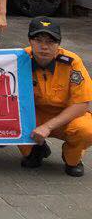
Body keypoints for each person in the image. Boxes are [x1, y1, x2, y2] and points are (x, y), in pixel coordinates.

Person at [20, 17, 92, 177]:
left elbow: (82, 105)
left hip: (66, 117)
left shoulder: (72, 62)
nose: (44, 46)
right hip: (34, 115)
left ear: (59, 44)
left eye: (51, 42)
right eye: (38, 40)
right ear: (30, 41)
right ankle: (35, 149)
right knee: (14, 121)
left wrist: (48, 127)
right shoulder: (19, 59)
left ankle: (72, 158)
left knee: (87, 129)